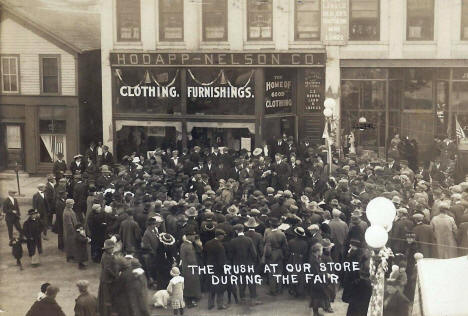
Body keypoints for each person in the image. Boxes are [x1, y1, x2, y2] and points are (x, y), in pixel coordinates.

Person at [98, 239, 117, 316]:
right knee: (107, 297)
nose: (113, 249)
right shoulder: (107, 257)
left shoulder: (106, 255)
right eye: (111, 248)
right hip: (107, 280)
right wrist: (115, 275)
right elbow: (108, 268)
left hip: (105, 278)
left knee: (104, 297)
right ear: (108, 249)